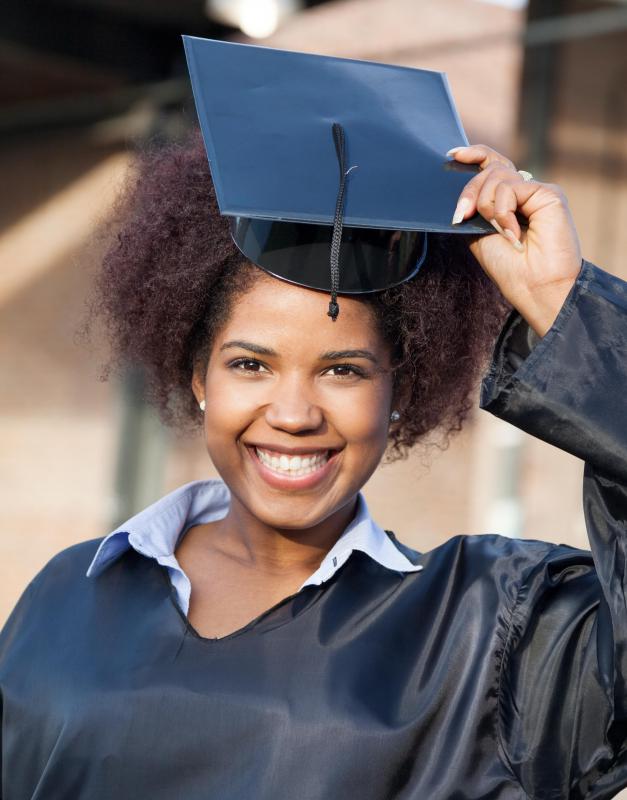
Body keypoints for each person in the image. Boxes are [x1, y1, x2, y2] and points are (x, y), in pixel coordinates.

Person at [1, 42, 627, 800]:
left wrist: (567, 306)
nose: (293, 414)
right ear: (197, 376)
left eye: (342, 370)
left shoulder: (495, 635)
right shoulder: (71, 592)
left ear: (402, 386)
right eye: (250, 365)